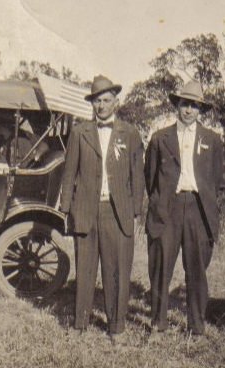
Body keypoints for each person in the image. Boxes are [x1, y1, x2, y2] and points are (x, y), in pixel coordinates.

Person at [60, 75, 145, 342]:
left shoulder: (129, 133)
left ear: (116, 103)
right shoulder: (79, 132)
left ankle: (116, 328)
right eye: (97, 101)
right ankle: (80, 324)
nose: (101, 106)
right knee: (85, 268)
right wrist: (66, 209)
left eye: (106, 100)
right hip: (86, 210)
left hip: (116, 212)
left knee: (117, 270)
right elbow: (69, 173)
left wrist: (134, 212)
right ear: (92, 104)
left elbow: (137, 176)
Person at [145, 80, 223, 336]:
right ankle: (158, 321)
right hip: (168, 207)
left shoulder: (212, 139)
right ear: (176, 105)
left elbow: (215, 179)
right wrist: (160, 202)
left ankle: (196, 324)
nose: (188, 110)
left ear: (200, 109)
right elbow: (151, 177)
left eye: (193, 105)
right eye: (184, 104)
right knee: (161, 265)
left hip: (198, 209)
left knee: (197, 268)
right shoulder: (160, 138)